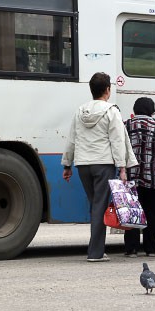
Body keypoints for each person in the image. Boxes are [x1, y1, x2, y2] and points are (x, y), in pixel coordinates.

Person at [61, 72, 138, 262]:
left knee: (95, 204)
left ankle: (97, 249)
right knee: (99, 207)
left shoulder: (80, 111)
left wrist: (66, 164)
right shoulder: (111, 110)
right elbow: (117, 140)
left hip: (83, 165)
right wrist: (122, 167)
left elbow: (72, 138)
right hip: (103, 163)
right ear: (107, 90)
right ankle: (95, 252)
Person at [123, 97, 155, 258]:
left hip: (131, 178)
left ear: (135, 110)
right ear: (153, 111)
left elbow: (119, 150)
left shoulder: (126, 125)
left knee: (132, 213)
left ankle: (131, 249)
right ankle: (150, 250)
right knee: (152, 214)